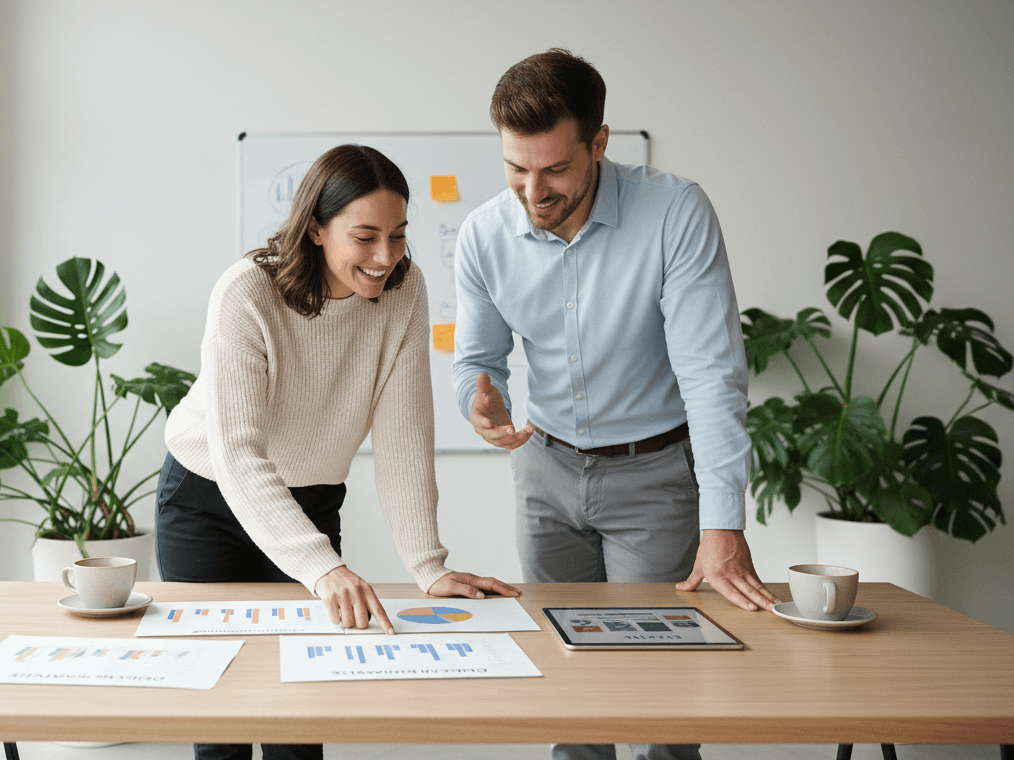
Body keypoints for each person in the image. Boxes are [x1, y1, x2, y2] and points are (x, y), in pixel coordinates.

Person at [452, 49, 777, 760]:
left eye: (555, 169)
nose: (533, 191)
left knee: (663, 703)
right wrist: (482, 402)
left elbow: (712, 373)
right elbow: (477, 364)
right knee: (572, 695)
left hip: (654, 478)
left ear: (599, 143)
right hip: (545, 475)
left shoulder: (675, 212)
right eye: (515, 168)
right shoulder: (483, 235)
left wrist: (724, 522)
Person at [159, 143, 519, 760]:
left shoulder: (403, 290)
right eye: (366, 237)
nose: (386, 257)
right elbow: (240, 454)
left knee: (301, 712)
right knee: (222, 718)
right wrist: (323, 568)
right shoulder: (248, 292)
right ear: (318, 230)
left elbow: (404, 436)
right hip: (208, 502)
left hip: (312, 499)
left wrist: (428, 567)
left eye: (399, 236)